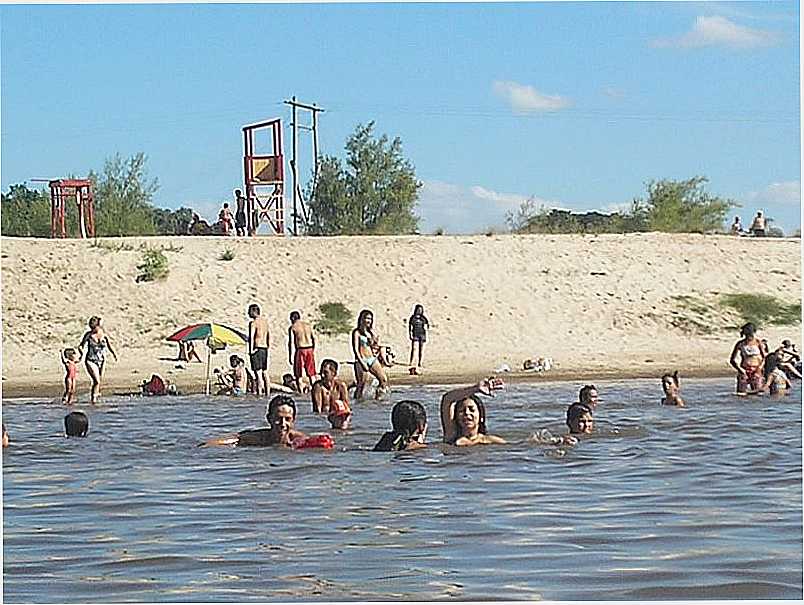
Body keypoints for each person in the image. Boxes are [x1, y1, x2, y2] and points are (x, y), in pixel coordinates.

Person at [201, 395, 332, 448]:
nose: (282, 424)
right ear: (269, 419)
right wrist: (207, 445)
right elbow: (235, 439)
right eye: (278, 419)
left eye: (287, 419)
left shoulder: (298, 440)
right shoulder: (260, 438)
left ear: (293, 421)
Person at [440, 377, 506, 446]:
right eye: (462, 410)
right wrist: (475, 389)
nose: (467, 413)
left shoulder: (491, 441)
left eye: (472, 410)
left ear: (481, 417)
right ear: (456, 416)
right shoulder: (451, 436)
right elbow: (447, 399)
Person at [351, 309, 390, 400]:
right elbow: (355, 349)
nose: (369, 321)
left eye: (370, 319)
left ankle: (377, 399)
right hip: (361, 359)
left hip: (371, 358)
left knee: (383, 379)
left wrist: (374, 340)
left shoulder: (370, 332)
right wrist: (362, 362)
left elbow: (374, 346)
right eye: (367, 318)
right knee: (362, 384)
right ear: (362, 319)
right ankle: (358, 402)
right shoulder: (356, 332)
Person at [77, 316, 117, 404]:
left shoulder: (104, 334)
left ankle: (94, 395)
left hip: (101, 360)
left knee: (98, 381)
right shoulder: (88, 335)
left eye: (94, 327)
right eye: (91, 327)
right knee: (96, 380)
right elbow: (81, 346)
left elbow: (109, 345)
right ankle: (93, 400)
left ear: (98, 326)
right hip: (90, 360)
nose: (92, 329)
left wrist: (114, 354)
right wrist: (81, 353)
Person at [730, 322, 766, 395]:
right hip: (744, 369)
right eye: (748, 334)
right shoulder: (740, 344)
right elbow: (732, 360)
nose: (750, 337)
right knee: (741, 393)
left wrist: (759, 368)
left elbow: (764, 358)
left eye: (751, 334)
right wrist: (740, 369)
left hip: (756, 369)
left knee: (758, 393)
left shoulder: (758, 342)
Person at [288, 311, 317, 393]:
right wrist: (313, 349)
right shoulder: (308, 326)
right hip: (310, 348)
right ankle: (315, 390)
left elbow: (290, 343)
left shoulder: (293, 327)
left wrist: (290, 356)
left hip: (300, 349)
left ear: (293, 318)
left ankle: (301, 392)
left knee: (298, 375)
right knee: (311, 374)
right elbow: (314, 338)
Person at [247, 304, 270, 396]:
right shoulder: (265, 322)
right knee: (265, 372)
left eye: (249, 311)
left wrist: (251, 350)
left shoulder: (253, 323)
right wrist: (268, 346)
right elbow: (269, 335)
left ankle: (260, 393)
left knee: (258, 373)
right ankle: (267, 392)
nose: (248, 313)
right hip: (264, 348)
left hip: (257, 348)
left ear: (253, 312)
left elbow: (252, 337)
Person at [408, 304, 430, 372]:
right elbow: (410, 326)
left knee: (421, 349)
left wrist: (426, 329)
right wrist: (410, 334)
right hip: (415, 334)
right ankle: (411, 361)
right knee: (414, 348)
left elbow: (427, 324)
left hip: (422, 334)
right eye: (418, 310)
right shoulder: (413, 318)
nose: (419, 311)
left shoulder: (423, 318)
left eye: (421, 310)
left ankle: (420, 362)